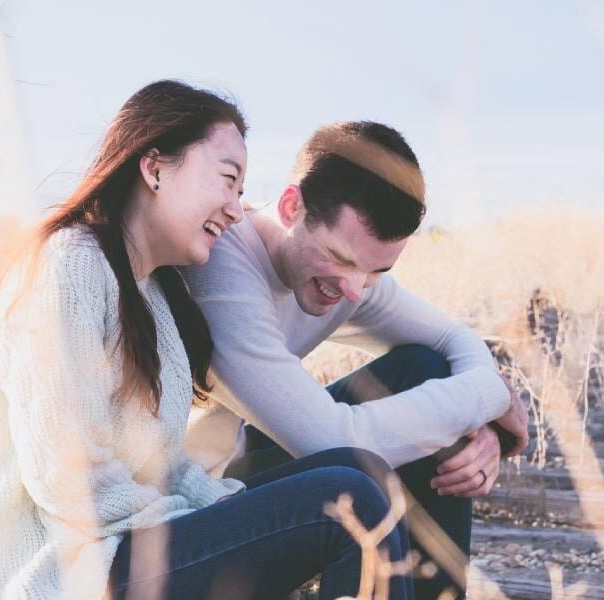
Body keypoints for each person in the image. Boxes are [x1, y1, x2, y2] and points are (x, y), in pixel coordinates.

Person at [0, 82, 414, 600]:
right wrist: (204, 522)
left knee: (360, 467)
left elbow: (162, 465)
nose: (237, 209)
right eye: (226, 180)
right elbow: (68, 481)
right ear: (154, 169)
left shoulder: (150, 293)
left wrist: (223, 511)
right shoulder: (68, 266)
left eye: (242, 192)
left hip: (130, 551)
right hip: (71, 576)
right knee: (347, 498)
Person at [181, 120, 530, 599]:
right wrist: (486, 398)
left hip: (233, 471)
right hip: (182, 519)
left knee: (425, 368)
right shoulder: (221, 270)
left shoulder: (352, 278)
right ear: (290, 206)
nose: (353, 289)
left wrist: (481, 423)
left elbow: (454, 338)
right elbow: (331, 439)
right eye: (341, 259)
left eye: (377, 269)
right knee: (364, 472)